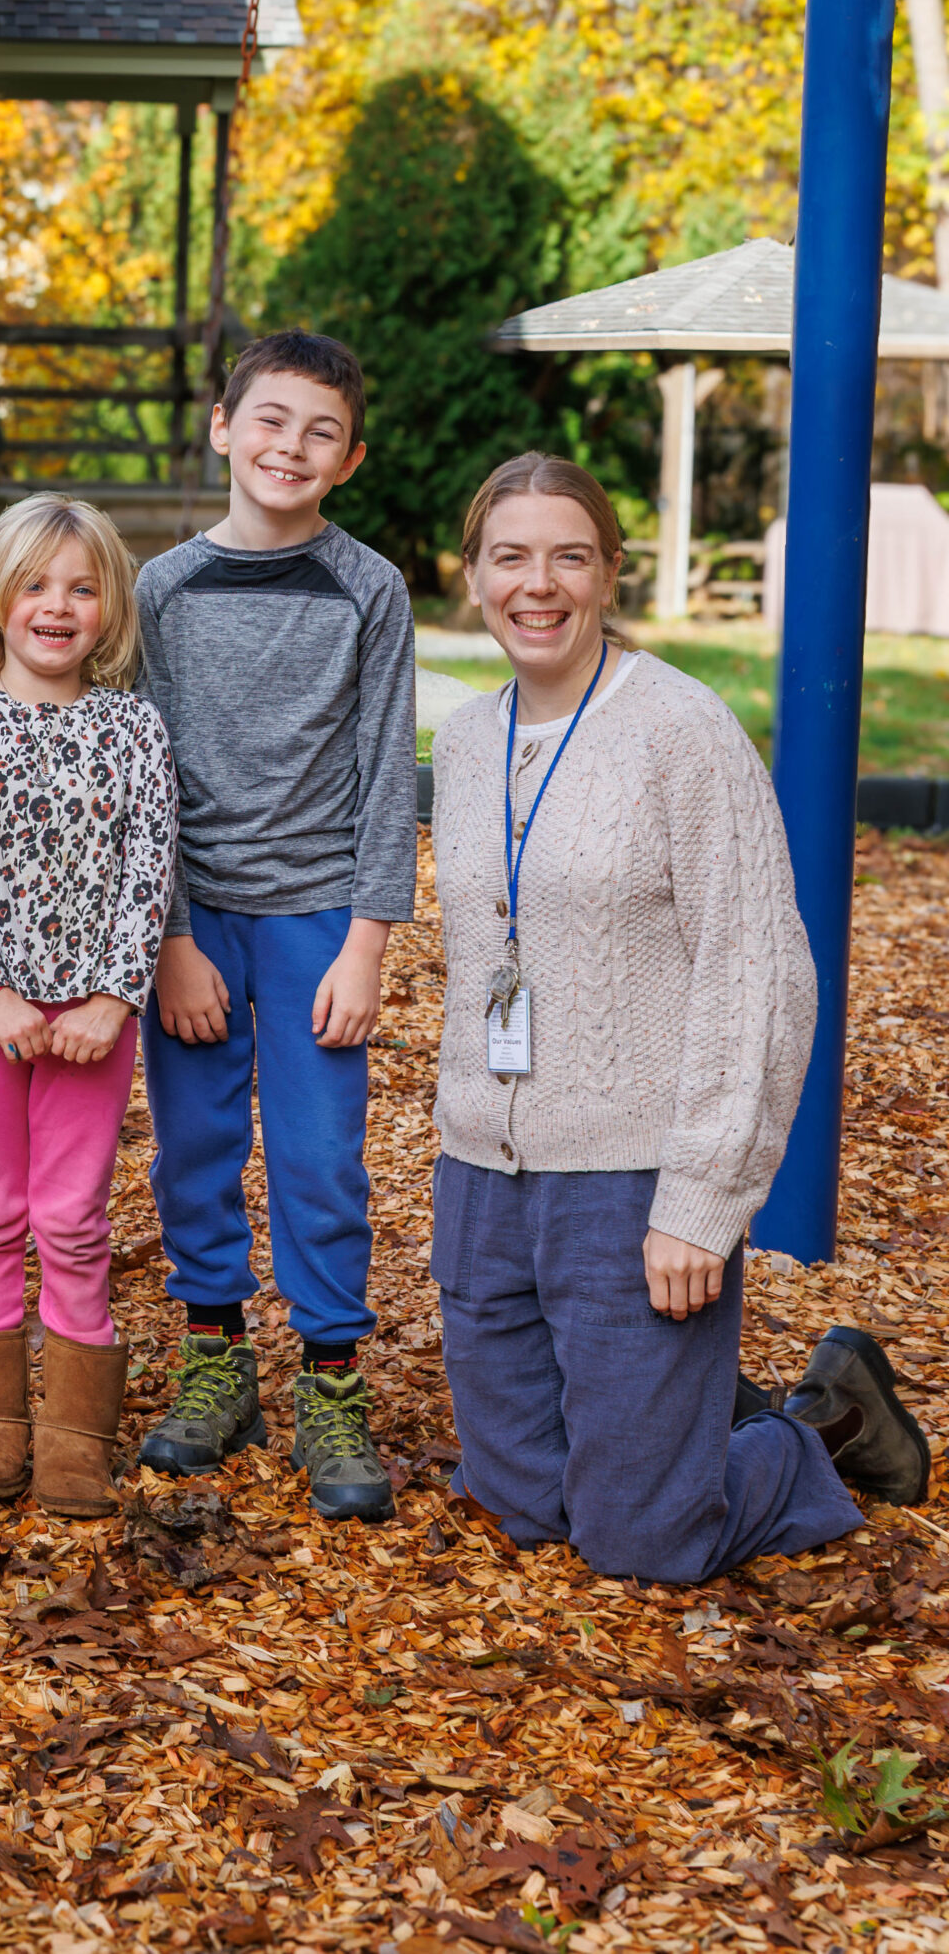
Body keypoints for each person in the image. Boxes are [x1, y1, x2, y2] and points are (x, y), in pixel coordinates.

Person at [428, 454, 926, 1582]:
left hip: (630, 1179)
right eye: (509, 557)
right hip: (483, 1179)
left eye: (568, 555)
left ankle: (824, 1430)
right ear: (472, 577)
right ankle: (682, 1416)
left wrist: (701, 1199)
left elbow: (759, 974)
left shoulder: (679, 731)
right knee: (522, 1507)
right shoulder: (462, 743)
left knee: (642, 1541)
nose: (536, 583)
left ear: (609, 570)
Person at [131, 329, 416, 1524]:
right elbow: (141, 775)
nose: (289, 447)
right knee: (193, 1151)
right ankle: (215, 1362)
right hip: (195, 925)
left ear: (348, 458)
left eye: (318, 431)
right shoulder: (160, 591)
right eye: (270, 421)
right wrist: (171, 937)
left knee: (317, 1157)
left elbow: (387, 772)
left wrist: (366, 941)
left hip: (314, 923)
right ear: (221, 427)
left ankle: (331, 1381)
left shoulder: (369, 590)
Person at [0, 495, 177, 1513]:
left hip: (89, 1019)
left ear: (108, 607)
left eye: (81, 586)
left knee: (69, 1216)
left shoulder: (131, 730)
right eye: (35, 585)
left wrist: (111, 995)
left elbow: (148, 866)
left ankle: (73, 1436)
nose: (57, 607)